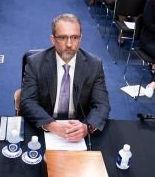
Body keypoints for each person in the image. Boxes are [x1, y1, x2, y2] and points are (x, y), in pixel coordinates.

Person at [20, 13, 110, 142]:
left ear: (80, 38)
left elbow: (102, 105)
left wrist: (86, 127)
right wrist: (52, 125)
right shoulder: (35, 63)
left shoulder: (94, 65)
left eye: (74, 37)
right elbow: (28, 101)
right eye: (63, 38)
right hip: (44, 126)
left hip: (78, 128)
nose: (69, 44)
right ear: (53, 39)